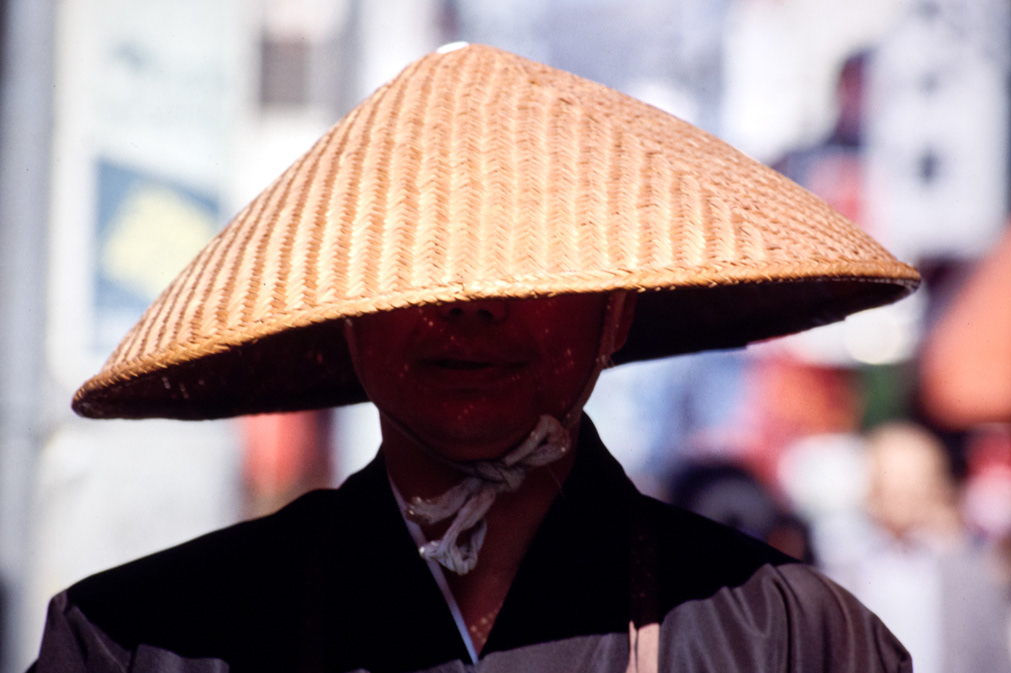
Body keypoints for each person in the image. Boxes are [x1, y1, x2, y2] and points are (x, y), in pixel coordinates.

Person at [32, 44, 918, 672]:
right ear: (345, 317)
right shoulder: (146, 639)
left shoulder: (798, 641)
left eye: (531, 270)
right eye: (416, 272)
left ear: (615, 313)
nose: (471, 307)